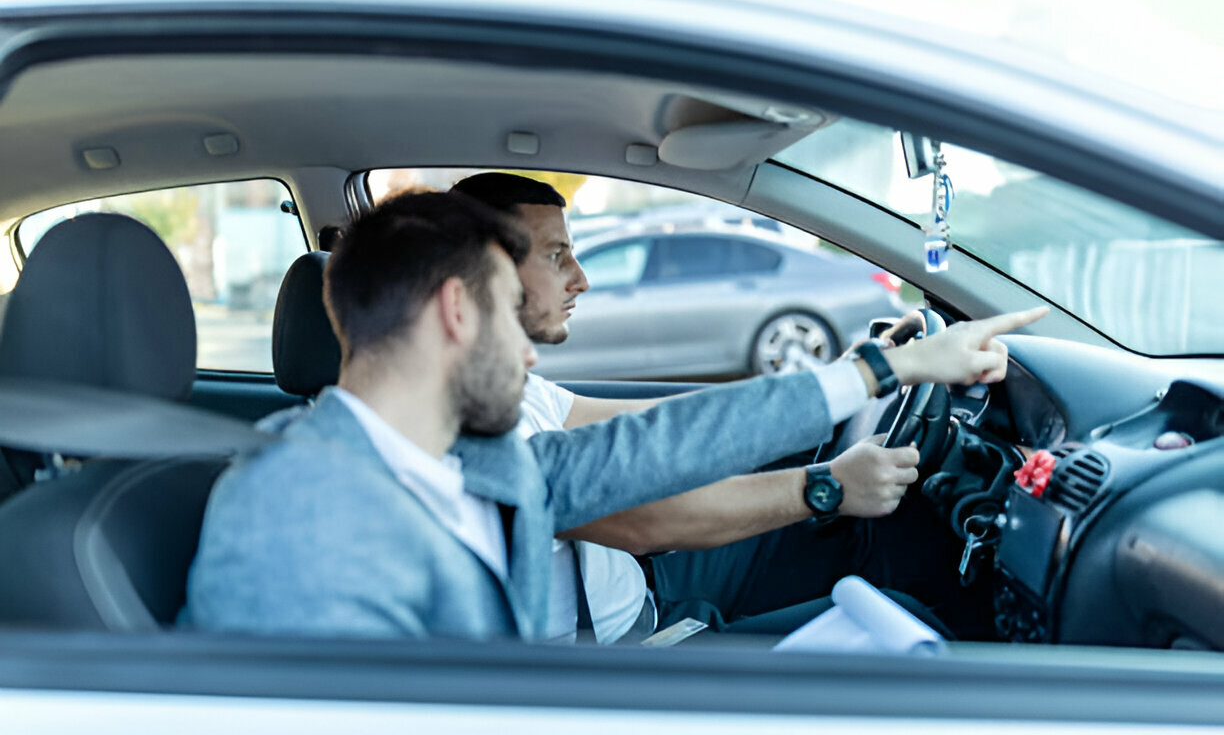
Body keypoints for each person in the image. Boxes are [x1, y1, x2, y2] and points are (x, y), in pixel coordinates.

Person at [183, 190, 1046, 642]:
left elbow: (661, 442)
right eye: (504, 315)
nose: (528, 354)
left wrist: (880, 368)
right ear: (456, 312)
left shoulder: (477, 462)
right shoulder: (290, 509)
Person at [449, 173, 995, 640]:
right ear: (482, 275)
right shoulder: (478, 430)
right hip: (629, 652)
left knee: (841, 546)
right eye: (555, 256)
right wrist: (826, 487)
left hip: (647, 586)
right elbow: (648, 522)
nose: (582, 280)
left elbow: (666, 428)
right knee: (909, 621)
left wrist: (842, 382)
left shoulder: (517, 392)